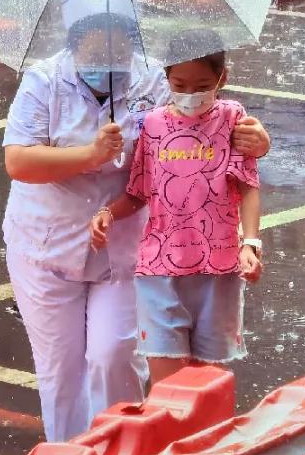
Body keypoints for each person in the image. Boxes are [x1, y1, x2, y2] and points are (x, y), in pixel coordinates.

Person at [2, 0, 270, 442]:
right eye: (98, 40)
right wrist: (88, 155)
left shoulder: (151, 77)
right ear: (75, 39)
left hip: (127, 248)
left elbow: (204, 120)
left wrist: (257, 141)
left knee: (114, 355)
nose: (111, 50)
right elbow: (19, 162)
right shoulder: (44, 81)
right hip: (46, 245)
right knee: (60, 370)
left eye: (122, 39)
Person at [89, 31, 262, 385]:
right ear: (166, 78)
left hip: (218, 271)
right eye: (179, 84)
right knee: (169, 393)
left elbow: (247, 185)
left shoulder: (232, 119)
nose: (189, 95)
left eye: (201, 85)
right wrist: (108, 213)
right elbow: (138, 193)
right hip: (159, 273)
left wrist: (251, 243)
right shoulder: (152, 125)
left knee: (207, 392)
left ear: (222, 79)